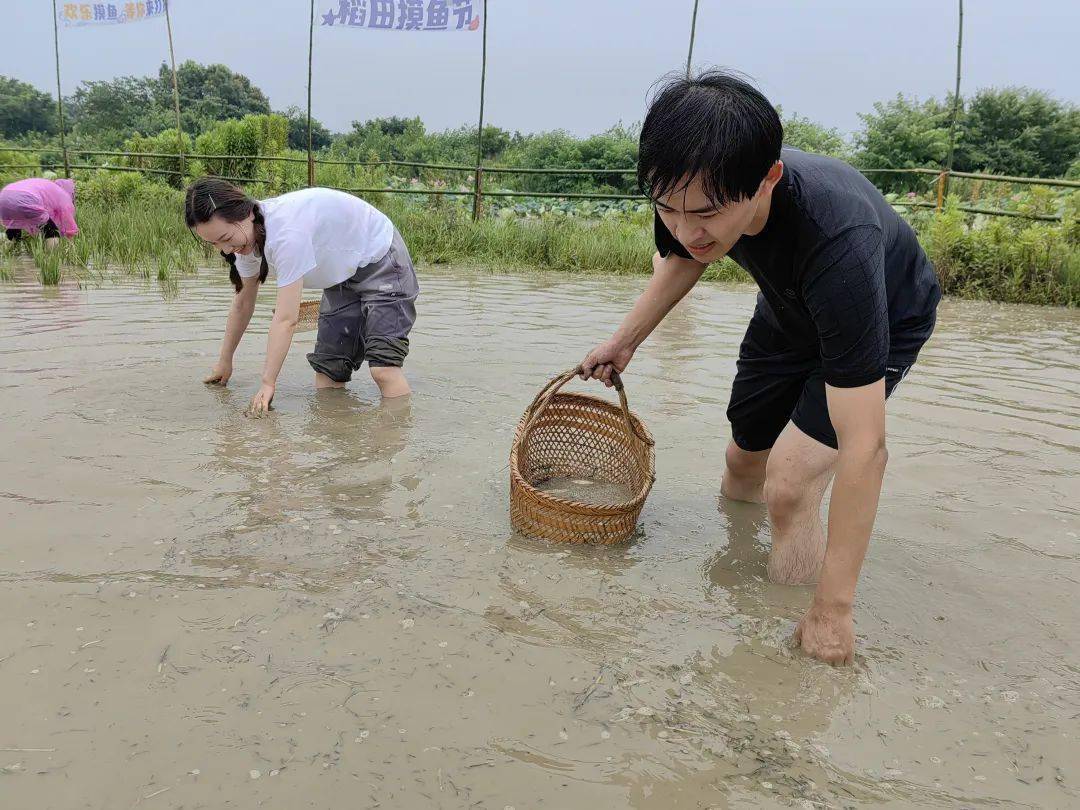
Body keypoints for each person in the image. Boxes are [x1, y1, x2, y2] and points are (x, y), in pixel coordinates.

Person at [580, 71, 941, 665]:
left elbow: (866, 448)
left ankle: (796, 620)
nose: (687, 227)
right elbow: (680, 257)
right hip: (787, 308)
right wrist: (625, 342)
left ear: (768, 178)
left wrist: (837, 610)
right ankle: (742, 564)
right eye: (668, 208)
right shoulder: (686, 192)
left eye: (706, 214)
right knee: (743, 459)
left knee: (792, 479)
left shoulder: (839, 241)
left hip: (877, 314)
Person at [185, 177, 419, 415]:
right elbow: (243, 303)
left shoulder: (286, 235)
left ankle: (393, 443)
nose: (226, 250)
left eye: (225, 238)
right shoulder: (243, 245)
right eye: (214, 243)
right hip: (342, 276)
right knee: (328, 372)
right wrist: (225, 361)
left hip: (382, 261)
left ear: (247, 214)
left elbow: (287, 319)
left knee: (383, 370)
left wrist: (268, 382)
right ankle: (347, 446)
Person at [0, 177, 78, 248]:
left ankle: (7, 257)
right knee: (51, 232)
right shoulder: (63, 194)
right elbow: (67, 218)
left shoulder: (47, 186)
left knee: (14, 230)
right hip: (25, 197)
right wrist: (70, 239)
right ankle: (51, 258)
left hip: (4, 196)